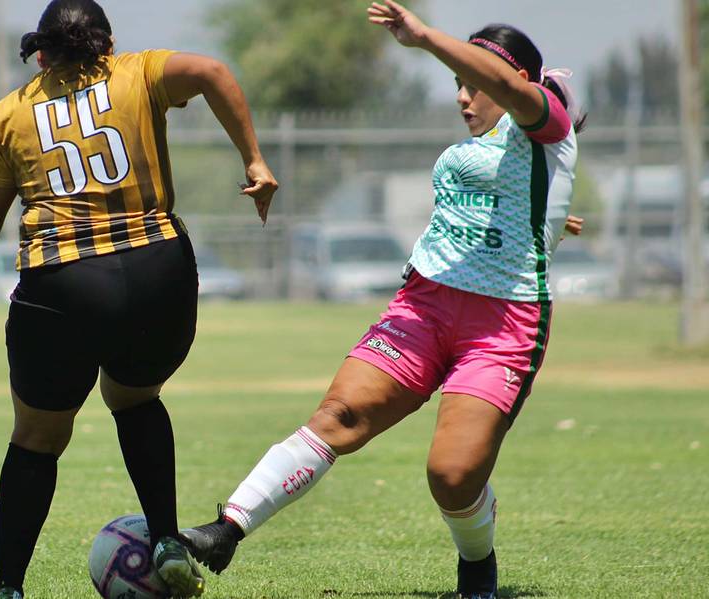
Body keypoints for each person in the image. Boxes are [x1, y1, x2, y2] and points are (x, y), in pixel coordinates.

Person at [182, 3, 585, 598]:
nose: (463, 97)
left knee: (451, 474)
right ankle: (226, 528)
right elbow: (506, 203)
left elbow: (506, 87)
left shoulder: (545, 120)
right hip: (423, 305)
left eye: (473, 83)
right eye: (457, 86)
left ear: (521, 82)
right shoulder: (496, 143)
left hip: (502, 322)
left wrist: (424, 37)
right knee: (337, 418)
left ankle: (478, 566)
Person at [0, 1, 277, 597]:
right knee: (136, 398)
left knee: (38, 437)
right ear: (106, 43)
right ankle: (166, 538)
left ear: (40, 51)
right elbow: (215, 72)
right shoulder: (139, 72)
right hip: (157, 272)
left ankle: (7, 586)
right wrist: (254, 158)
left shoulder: (9, 113)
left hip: (62, 284)